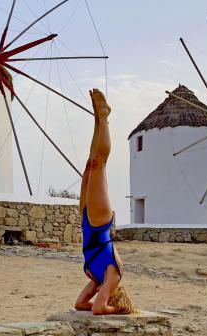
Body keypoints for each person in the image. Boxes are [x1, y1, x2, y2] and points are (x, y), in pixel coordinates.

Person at [74, 89, 134, 315]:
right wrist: (115, 310)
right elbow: (98, 309)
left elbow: (80, 304)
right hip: (99, 225)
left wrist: (100, 296)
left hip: (87, 223)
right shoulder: (115, 276)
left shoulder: (96, 278)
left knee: (91, 164)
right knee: (99, 163)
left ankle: (98, 119)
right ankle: (104, 117)